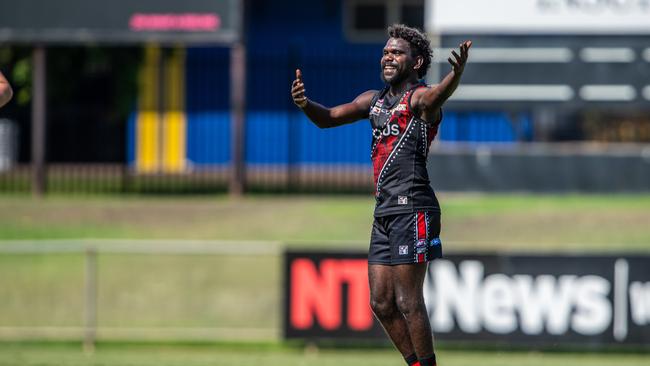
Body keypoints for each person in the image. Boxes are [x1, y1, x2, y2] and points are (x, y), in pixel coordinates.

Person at [290, 24, 471, 366]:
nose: (388, 57)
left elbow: (435, 98)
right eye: (386, 52)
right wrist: (304, 104)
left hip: (414, 209)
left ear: (416, 62)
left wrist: (454, 76)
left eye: (396, 52)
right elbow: (327, 118)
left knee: (407, 300)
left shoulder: (418, 98)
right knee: (381, 303)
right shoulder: (372, 102)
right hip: (385, 212)